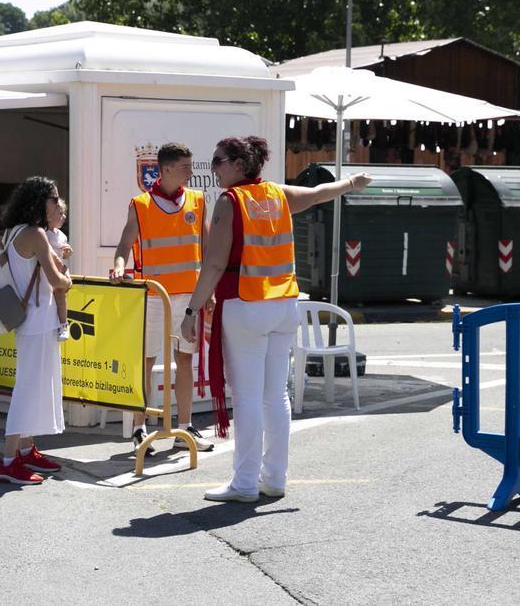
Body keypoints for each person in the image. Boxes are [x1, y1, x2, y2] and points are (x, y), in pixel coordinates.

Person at [181, 136, 370, 502]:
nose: (214, 167)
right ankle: (275, 479)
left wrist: (192, 310)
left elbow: (215, 263)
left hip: (246, 304)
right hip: (284, 304)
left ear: (238, 164)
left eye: (218, 161)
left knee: (249, 398)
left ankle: (245, 484)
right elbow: (317, 194)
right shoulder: (277, 194)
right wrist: (351, 184)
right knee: (275, 396)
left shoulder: (229, 201)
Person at [112, 142, 215, 455]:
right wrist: (118, 268)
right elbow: (123, 248)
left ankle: (185, 428)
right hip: (153, 295)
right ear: (166, 168)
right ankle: (140, 427)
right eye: (185, 166)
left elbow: (208, 251)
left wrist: (207, 292)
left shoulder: (197, 200)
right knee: (147, 360)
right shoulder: (140, 204)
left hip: (189, 296)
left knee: (185, 360)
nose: (190, 171)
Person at [0, 176, 75, 485]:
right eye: (53, 199)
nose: (58, 204)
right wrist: (68, 280)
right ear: (39, 202)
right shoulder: (37, 234)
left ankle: (26, 450)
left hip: (28, 318)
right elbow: (58, 281)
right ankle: (8, 459)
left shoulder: (14, 231)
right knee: (29, 389)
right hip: (40, 319)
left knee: (32, 386)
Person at [47, 209, 74, 342]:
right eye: (60, 214)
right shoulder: (43, 234)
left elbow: (63, 256)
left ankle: (64, 324)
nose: (64, 217)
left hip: (61, 269)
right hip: (48, 270)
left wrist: (68, 253)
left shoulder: (62, 236)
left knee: (60, 293)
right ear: (49, 216)